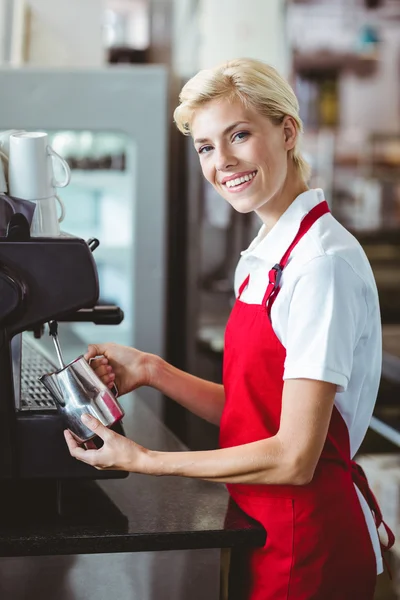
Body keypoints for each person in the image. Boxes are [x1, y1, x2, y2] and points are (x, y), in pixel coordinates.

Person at [65, 58, 394, 599]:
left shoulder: (321, 266)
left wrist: (144, 461)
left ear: (287, 131)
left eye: (239, 135)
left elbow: (292, 455)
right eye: (206, 147)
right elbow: (255, 415)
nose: (224, 162)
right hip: (259, 522)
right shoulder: (265, 254)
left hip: (307, 543)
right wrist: (151, 370)